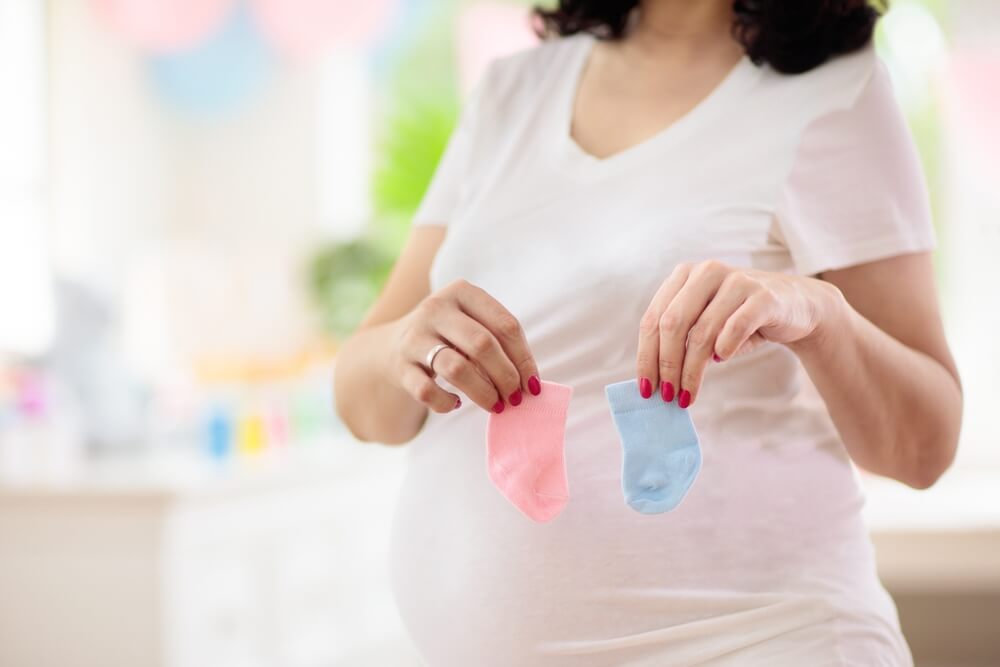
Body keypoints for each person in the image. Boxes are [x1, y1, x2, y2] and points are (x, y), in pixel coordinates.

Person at [333, 1, 963, 664]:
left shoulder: (837, 92)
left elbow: (925, 447)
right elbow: (361, 399)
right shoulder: (510, 93)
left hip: (761, 638)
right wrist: (409, 345)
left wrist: (820, 315)